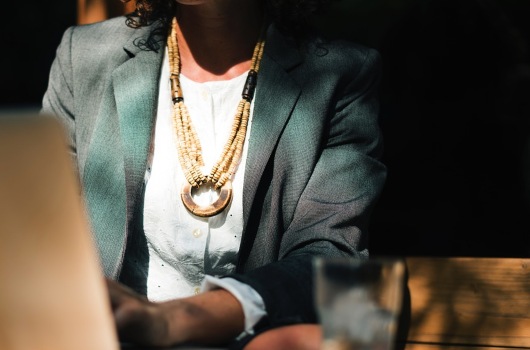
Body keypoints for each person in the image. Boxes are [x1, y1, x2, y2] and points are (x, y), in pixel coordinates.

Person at [42, 0, 385, 348]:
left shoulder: (341, 74)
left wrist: (173, 320)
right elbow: (45, 230)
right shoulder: (84, 56)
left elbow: (331, 256)